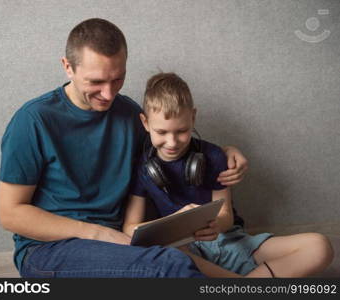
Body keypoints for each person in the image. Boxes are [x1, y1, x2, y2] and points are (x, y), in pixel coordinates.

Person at [0, 18, 248, 278]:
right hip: (48, 250)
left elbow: (169, 147)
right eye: (96, 82)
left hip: (120, 242)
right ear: (67, 67)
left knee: (177, 262)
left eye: (118, 79)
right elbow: (10, 214)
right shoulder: (32, 120)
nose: (108, 94)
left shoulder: (130, 114)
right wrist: (97, 233)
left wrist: (226, 150)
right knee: (170, 267)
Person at [122, 72, 334, 278]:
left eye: (181, 131)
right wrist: (173, 221)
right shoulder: (142, 169)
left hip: (229, 241)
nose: (172, 142)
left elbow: (226, 216)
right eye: (162, 132)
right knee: (169, 256)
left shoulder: (213, 156)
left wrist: (216, 225)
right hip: (186, 251)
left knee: (319, 246)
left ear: (193, 118)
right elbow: (130, 228)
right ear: (145, 123)